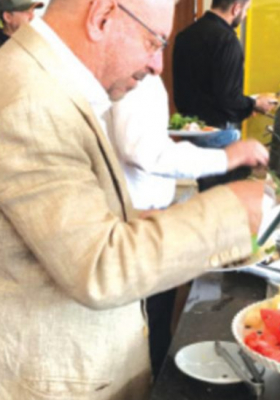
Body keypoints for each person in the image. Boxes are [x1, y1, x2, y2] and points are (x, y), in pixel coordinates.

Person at [0, 0, 266, 400]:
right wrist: (234, 209)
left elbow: (60, 223)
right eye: (153, 42)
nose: (157, 65)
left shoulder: (42, 77)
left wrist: (140, 218)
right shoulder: (32, 102)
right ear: (101, 16)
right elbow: (99, 268)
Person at [108, 73, 269, 375]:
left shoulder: (140, 77)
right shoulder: (134, 78)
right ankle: (154, 379)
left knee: (158, 315)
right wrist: (226, 157)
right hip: (137, 224)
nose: (157, 63)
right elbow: (142, 150)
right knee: (151, 322)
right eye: (155, 48)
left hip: (145, 214)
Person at [172, 0, 276, 191]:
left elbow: (195, 89)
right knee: (222, 197)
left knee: (205, 193)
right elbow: (229, 98)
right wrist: (254, 104)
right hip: (217, 135)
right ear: (236, 8)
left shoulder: (184, 36)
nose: (245, 16)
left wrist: (247, 104)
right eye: (245, 10)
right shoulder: (227, 40)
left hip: (191, 131)